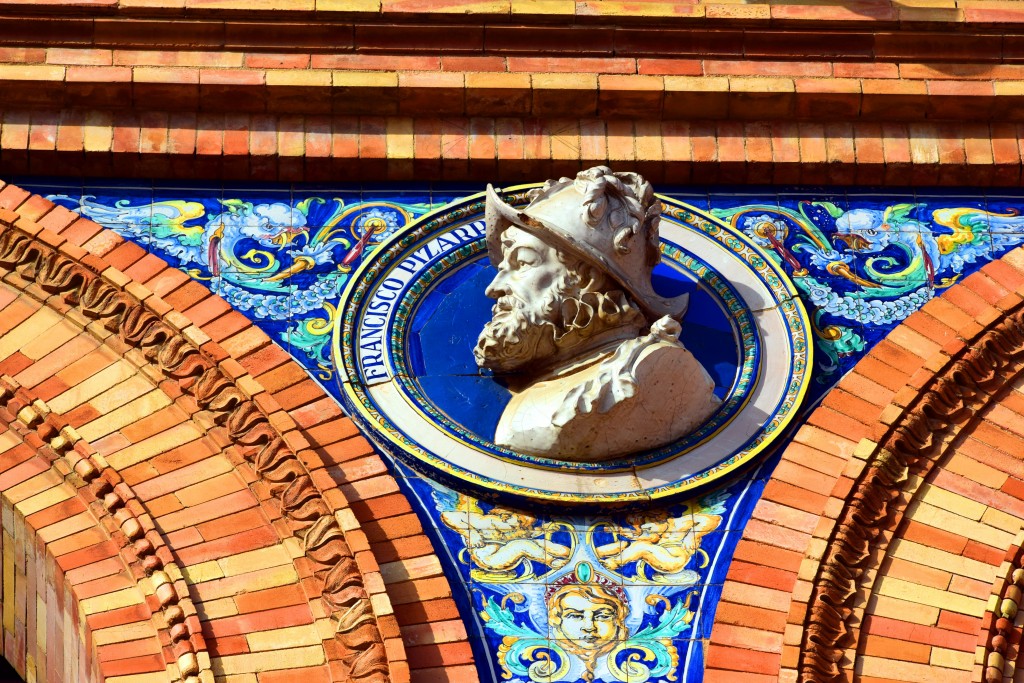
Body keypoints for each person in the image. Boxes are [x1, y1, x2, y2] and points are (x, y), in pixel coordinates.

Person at [475, 166, 720, 461]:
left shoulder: (654, 373)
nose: (494, 288)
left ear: (587, 279)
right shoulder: (543, 388)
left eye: (524, 263)